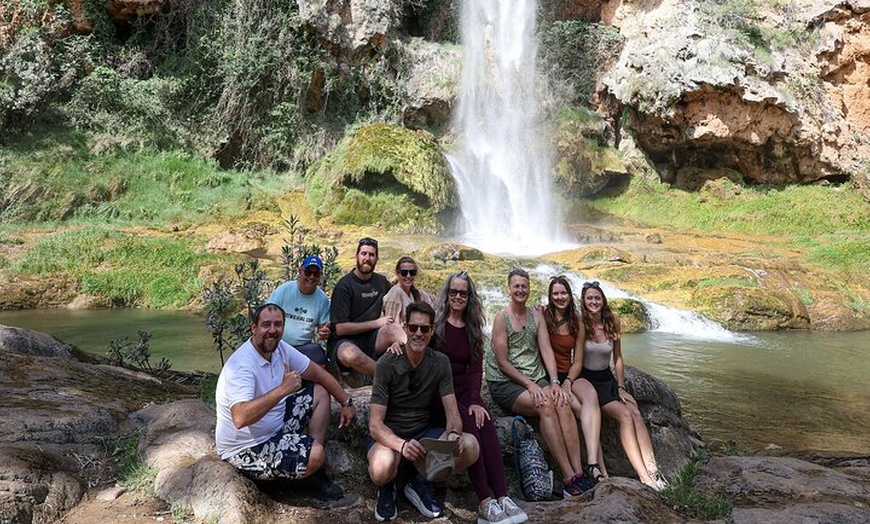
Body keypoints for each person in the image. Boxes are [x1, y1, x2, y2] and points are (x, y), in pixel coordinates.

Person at [214, 303, 357, 500]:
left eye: (278, 325)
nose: (272, 331)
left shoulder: (280, 349)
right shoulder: (242, 365)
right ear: (254, 328)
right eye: (266, 325)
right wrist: (283, 390)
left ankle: (306, 467)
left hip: (275, 426)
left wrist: (346, 402)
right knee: (316, 455)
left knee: (321, 392)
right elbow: (240, 417)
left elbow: (318, 374)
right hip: (247, 447)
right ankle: (296, 474)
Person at [367, 301, 480, 522]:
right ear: (405, 328)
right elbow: (375, 425)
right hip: (391, 437)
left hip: (423, 434)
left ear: (432, 331)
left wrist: (454, 433)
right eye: (413, 328)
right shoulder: (386, 364)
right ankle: (388, 487)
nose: (418, 333)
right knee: (382, 468)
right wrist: (401, 444)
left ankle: (419, 482)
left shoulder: (440, 362)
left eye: (424, 329)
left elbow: (452, 411)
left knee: (470, 446)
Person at [433, 271, 528, 524]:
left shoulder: (472, 327)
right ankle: (485, 502)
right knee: (472, 426)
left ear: (469, 297)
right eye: (453, 292)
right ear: (447, 294)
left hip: (465, 393)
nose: (457, 297)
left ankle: (503, 496)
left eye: (463, 293)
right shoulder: (436, 325)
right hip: (441, 396)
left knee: (485, 421)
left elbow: (475, 368)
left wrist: (475, 399)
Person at [486, 268, 590, 498]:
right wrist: (531, 385)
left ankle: (579, 472)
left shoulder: (536, 315)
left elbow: (545, 349)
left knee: (561, 401)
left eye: (524, 286)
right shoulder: (501, 319)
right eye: (516, 286)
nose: (521, 290)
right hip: (505, 381)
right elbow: (502, 363)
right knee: (546, 405)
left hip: (535, 374)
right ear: (509, 289)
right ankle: (567, 477)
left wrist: (554, 382)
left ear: (529, 288)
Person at [579, 281, 667, 490]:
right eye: (590, 298)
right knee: (625, 415)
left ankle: (655, 471)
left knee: (635, 411)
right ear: (583, 301)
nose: (594, 302)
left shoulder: (612, 323)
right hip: (590, 383)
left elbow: (618, 358)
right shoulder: (581, 325)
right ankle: (644, 476)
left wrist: (620, 387)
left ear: (603, 300)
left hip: (607, 381)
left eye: (597, 298)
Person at [541, 275, 608, 484]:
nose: (560, 297)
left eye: (564, 293)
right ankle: (597, 469)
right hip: (547, 376)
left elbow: (578, 361)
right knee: (578, 410)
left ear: (570, 296)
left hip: (569, 374)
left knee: (590, 399)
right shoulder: (542, 315)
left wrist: (569, 380)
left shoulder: (576, 323)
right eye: (556, 294)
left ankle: (598, 468)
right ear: (550, 297)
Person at [327, 237, 404, 377]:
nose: (367, 258)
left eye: (371, 255)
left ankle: (420, 364)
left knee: (394, 330)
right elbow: (340, 328)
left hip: (372, 338)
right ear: (356, 256)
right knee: (350, 354)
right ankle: (388, 377)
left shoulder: (381, 282)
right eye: (363, 254)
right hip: (344, 341)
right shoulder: (344, 286)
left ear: (376, 258)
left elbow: (397, 296)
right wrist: (376, 323)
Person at [266, 254, 331, 366]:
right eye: (308, 272)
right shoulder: (284, 290)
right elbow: (266, 315)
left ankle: (312, 382)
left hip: (302, 348)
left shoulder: (323, 300)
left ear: (320, 276)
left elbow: (323, 329)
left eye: (316, 274)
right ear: (300, 271)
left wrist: (324, 333)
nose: (311, 277)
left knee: (319, 356)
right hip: (278, 343)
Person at [381, 256, 436, 327]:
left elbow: (433, 302)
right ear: (397, 273)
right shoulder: (395, 294)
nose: (408, 276)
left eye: (412, 272)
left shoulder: (415, 293)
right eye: (404, 273)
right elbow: (391, 326)